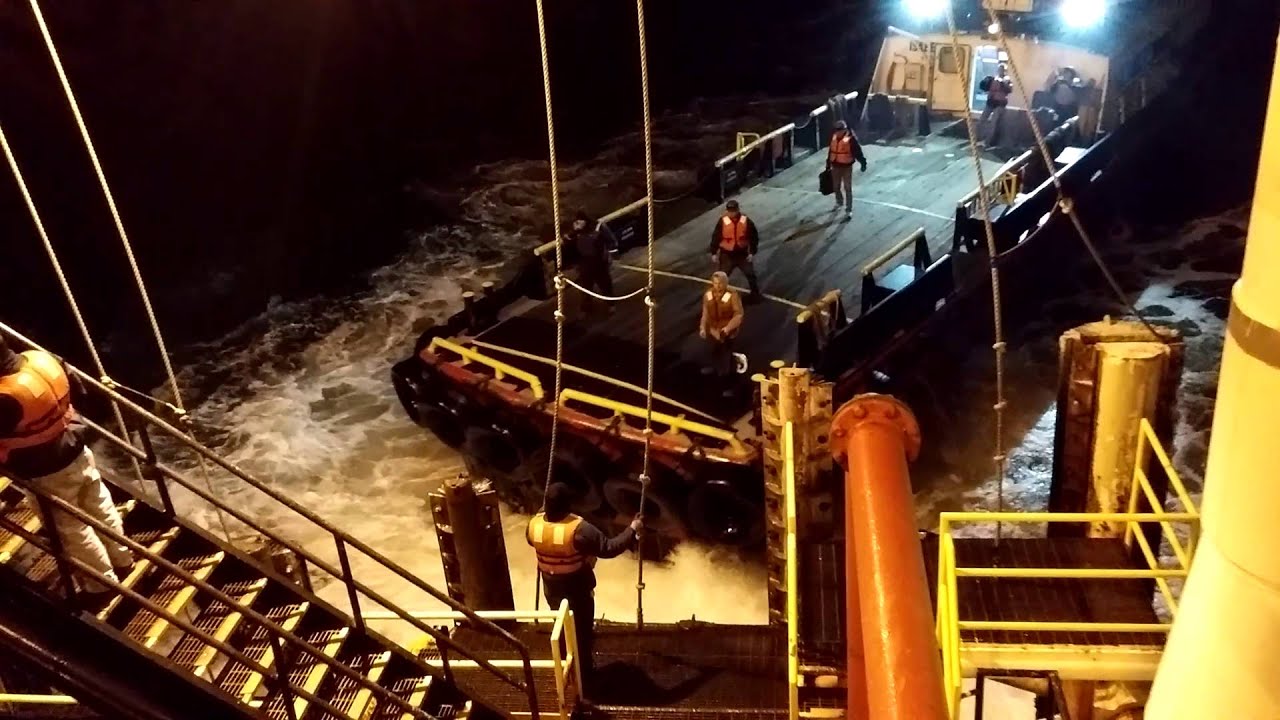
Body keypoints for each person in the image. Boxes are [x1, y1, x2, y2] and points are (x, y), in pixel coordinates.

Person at [0, 338, 133, 609]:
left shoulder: (5, 397)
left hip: (46, 469)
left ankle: (101, 586)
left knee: (70, 529)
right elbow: (79, 391)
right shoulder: (42, 359)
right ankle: (123, 558)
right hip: (77, 447)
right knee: (100, 505)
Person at [527, 483, 642, 695]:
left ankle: (567, 668)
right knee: (582, 633)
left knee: (562, 627)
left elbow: (532, 541)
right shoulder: (579, 530)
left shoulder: (533, 526)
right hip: (577, 591)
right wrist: (632, 528)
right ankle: (585, 679)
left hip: (551, 589)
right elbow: (609, 548)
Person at [565, 211, 619, 314]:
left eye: (579, 220)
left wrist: (613, 256)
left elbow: (611, 241)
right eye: (576, 221)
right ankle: (586, 309)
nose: (577, 223)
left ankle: (611, 304)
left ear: (585, 220)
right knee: (585, 287)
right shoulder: (576, 230)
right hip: (584, 262)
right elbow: (568, 243)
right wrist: (572, 234)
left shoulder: (598, 227)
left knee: (605, 284)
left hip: (599, 261)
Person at [699, 271, 744, 390]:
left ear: (725, 283)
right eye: (715, 283)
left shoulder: (732, 295)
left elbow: (738, 315)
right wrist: (703, 327)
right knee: (714, 350)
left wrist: (728, 328)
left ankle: (729, 382)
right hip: (713, 330)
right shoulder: (708, 294)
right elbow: (705, 313)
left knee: (726, 356)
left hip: (727, 331)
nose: (717, 286)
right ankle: (714, 368)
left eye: (720, 283)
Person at [707, 200, 761, 300]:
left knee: (750, 274)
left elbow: (754, 237)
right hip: (727, 255)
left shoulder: (745, 221)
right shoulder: (722, 221)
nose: (731, 213)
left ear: (737, 210)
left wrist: (752, 252)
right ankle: (718, 297)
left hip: (742, 254)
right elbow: (716, 237)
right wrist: (714, 252)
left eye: (733, 211)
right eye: (729, 211)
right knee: (721, 278)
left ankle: (755, 295)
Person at [826, 120, 868, 219]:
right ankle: (839, 202)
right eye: (836, 130)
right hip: (835, 165)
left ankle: (849, 209)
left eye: (839, 130)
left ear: (844, 129)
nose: (837, 132)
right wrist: (828, 163)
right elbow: (831, 151)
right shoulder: (834, 137)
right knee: (836, 186)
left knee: (847, 188)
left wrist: (863, 163)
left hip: (846, 167)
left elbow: (858, 152)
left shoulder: (851, 139)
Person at [981, 64, 1014, 147]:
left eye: (1002, 69)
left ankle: (987, 142)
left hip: (1000, 104)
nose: (1001, 71)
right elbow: (985, 87)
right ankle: (979, 137)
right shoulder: (993, 78)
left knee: (993, 123)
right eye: (1000, 69)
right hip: (991, 102)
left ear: (1005, 71)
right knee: (981, 120)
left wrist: (1003, 83)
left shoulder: (1007, 80)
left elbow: (1009, 90)